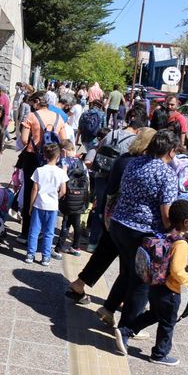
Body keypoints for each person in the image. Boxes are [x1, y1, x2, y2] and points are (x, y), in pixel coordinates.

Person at [65, 128, 156, 305]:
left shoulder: (123, 159)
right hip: (127, 218)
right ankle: (117, 300)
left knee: (104, 253)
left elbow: (111, 189)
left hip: (111, 214)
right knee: (126, 262)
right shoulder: (140, 164)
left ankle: (79, 284)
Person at [101, 130, 179, 330]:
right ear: (171, 151)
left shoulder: (133, 163)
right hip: (143, 233)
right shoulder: (166, 174)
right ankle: (126, 328)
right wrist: (175, 232)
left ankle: (108, 308)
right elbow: (165, 212)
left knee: (128, 271)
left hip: (119, 225)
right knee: (141, 284)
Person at [114, 200, 188, 366]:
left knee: (155, 314)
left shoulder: (164, 235)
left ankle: (126, 330)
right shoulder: (180, 243)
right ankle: (159, 354)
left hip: (154, 286)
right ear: (186, 222)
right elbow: (177, 270)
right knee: (168, 323)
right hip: (170, 291)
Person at [86, 115, 145, 251]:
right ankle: (105, 245)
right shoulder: (135, 141)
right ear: (139, 130)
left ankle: (92, 242)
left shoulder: (112, 133)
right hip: (118, 180)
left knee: (98, 209)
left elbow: (99, 148)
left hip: (101, 175)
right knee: (112, 211)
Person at [18, 91, 68, 243]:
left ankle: (26, 233)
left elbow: (24, 139)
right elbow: (65, 142)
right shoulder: (59, 118)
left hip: (33, 157)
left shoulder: (32, 116)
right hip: (52, 159)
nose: (33, 105)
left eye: (33, 102)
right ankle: (43, 233)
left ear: (38, 101)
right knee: (48, 193)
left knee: (29, 193)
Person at [25, 143, 69, 266]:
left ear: (45, 156)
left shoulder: (39, 170)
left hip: (39, 205)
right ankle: (45, 257)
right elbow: (63, 190)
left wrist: (31, 205)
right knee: (49, 233)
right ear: (58, 156)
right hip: (53, 206)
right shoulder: (61, 172)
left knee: (34, 230)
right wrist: (56, 197)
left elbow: (34, 189)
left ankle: (30, 254)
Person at [54, 139, 88, 258]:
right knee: (76, 223)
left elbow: (60, 179)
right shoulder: (81, 162)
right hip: (80, 197)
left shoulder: (64, 161)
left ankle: (58, 249)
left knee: (66, 222)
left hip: (69, 196)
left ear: (63, 151)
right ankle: (76, 247)